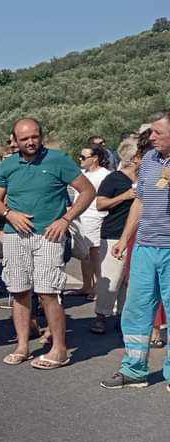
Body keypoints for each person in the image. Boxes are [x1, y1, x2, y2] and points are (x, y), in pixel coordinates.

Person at [0, 118, 95, 370]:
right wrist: (9, 214)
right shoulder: (7, 165)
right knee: (19, 291)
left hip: (49, 236)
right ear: (15, 140)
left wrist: (65, 219)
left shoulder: (58, 160)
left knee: (49, 292)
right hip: (15, 236)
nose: (30, 142)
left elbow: (88, 191)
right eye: (24, 138)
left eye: (34, 136)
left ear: (41, 136)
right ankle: (22, 347)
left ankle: (59, 350)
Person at [100, 112, 170, 389]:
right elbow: (140, 201)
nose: (151, 137)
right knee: (136, 309)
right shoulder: (150, 160)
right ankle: (134, 369)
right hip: (144, 246)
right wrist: (124, 238)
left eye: (157, 132)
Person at [90, 141, 139, 334]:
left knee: (129, 280)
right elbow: (100, 204)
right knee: (110, 278)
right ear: (133, 158)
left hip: (138, 236)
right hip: (113, 234)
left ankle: (123, 317)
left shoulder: (147, 178)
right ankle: (101, 316)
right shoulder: (114, 178)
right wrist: (124, 196)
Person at [67, 145, 113, 300]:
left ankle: (98, 288)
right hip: (80, 219)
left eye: (83, 157)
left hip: (96, 217)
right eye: (79, 156)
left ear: (95, 159)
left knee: (95, 254)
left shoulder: (105, 175)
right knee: (84, 255)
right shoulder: (81, 174)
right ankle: (87, 286)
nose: (80, 159)